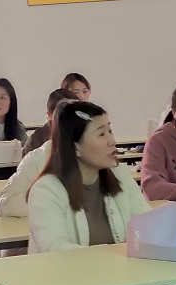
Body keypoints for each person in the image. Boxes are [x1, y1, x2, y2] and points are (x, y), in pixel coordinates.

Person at [27, 101, 150, 252]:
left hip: (117, 267)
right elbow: (55, 250)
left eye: (110, 131)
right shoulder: (46, 190)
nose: (112, 141)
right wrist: (114, 255)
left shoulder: (120, 175)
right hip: (72, 269)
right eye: (101, 134)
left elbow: (147, 226)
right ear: (75, 147)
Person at [0, 89, 74, 218]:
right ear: (50, 117)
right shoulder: (38, 154)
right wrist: (58, 205)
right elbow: (7, 204)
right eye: (64, 115)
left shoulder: (98, 157)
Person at [23, 87, 74, 155]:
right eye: (63, 111)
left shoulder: (83, 135)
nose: (69, 115)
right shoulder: (37, 139)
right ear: (49, 115)